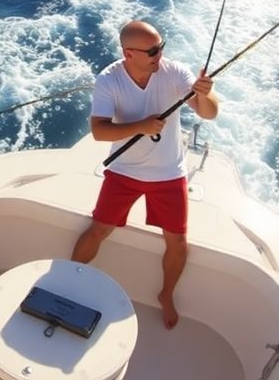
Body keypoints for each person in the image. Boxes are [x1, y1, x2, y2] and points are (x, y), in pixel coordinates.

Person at [71, 20, 219, 329]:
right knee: (98, 229)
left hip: (169, 174)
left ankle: (166, 294)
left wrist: (205, 94)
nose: (159, 55)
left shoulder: (174, 72)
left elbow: (208, 112)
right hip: (124, 171)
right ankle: (70, 279)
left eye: (162, 47)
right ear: (129, 53)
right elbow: (99, 131)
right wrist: (140, 126)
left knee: (178, 243)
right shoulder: (109, 80)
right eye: (152, 51)